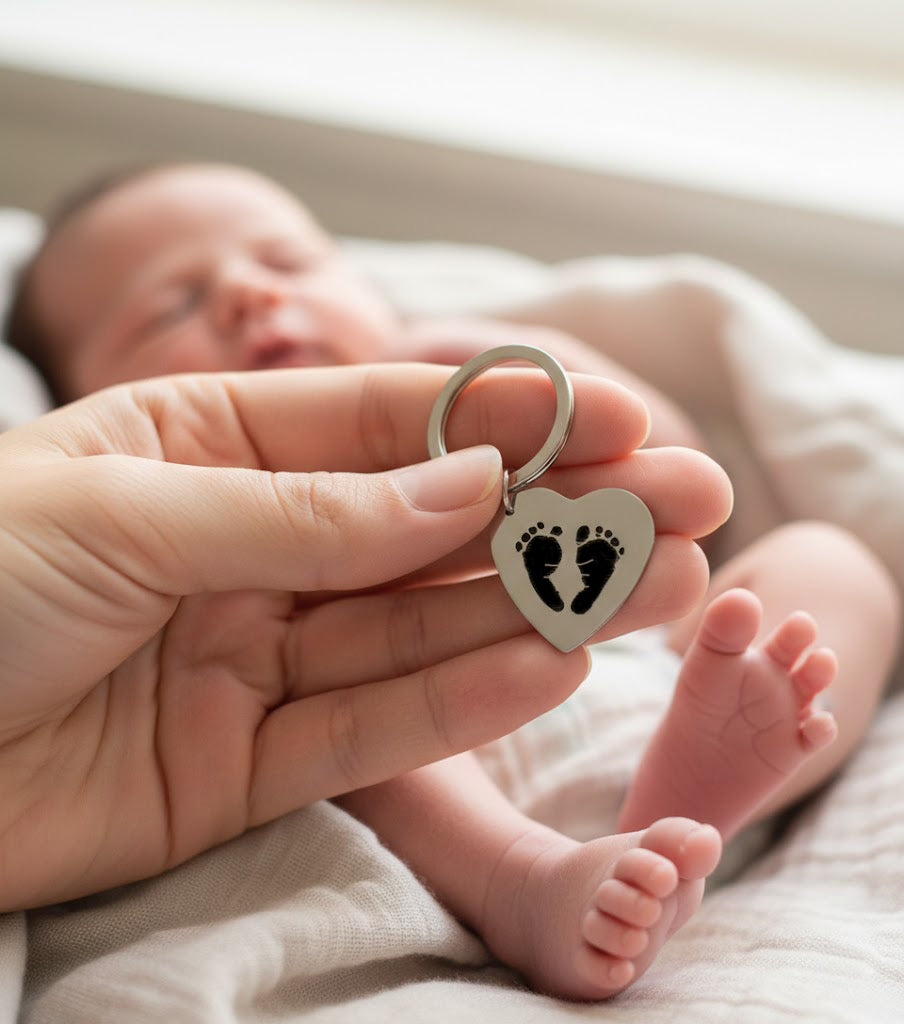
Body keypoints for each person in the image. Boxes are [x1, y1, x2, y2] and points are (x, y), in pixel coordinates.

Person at [2, 164, 898, 1000]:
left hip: (653, 681)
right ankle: (526, 879)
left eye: (289, 259)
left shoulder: (453, 373)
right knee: (303, 701)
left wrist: (550, 370)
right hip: (428, 762)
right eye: (171, 308)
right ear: (79, 405)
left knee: (829, 563)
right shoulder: (174, 518)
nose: (251, 291)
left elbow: (680, 483)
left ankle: (691, 797)